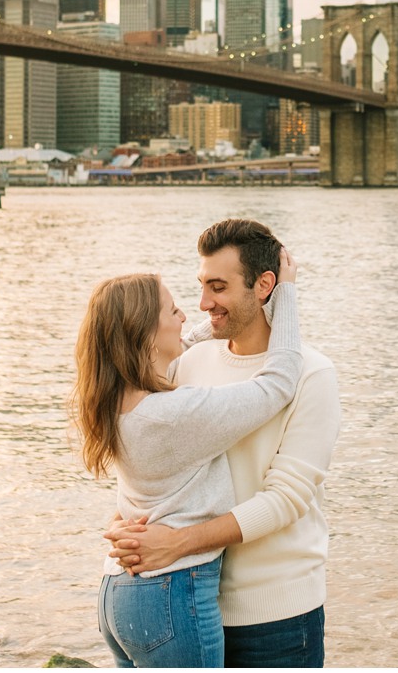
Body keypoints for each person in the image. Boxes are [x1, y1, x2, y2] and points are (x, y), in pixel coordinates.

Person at [105, 219, 341, 667]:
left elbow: (285, 499)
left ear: (264, 285)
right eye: (201, 286)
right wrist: (125, 524)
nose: (202, 303)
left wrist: (179, 543)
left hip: (277, 617)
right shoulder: (186, 362)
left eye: (218, 287)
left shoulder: (312, 374)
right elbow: (154, 462)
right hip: (184, 601)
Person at [72, 248, 301, 668]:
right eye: (174, 310)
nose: (186, 317)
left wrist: (217, 322)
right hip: (170, 595)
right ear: (142, 333)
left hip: (120, 592)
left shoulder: (121, 404)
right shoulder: (173, 415)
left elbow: (177, 341)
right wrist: (284, 293)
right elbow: (279, 384)